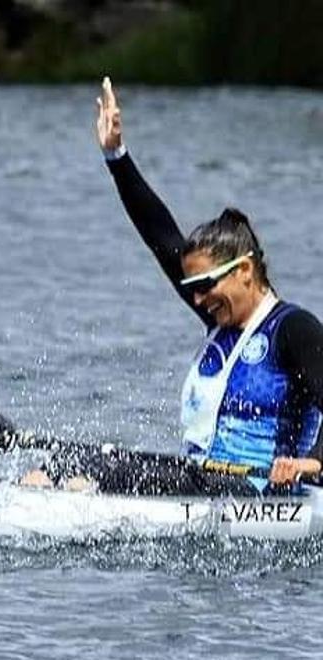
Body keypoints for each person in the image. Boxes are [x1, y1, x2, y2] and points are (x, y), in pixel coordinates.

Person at [21, 77, 323, 494]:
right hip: (200, 480)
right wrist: (116, 156)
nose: (197, 297)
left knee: (90, 478)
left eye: (205, 284)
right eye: (192, 286)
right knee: (67, 463)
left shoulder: (294, 329)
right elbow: (158, 233)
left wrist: (310, 463)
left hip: (258, 494)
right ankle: (24, 501)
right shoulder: (218, 317)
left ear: (245, 271)